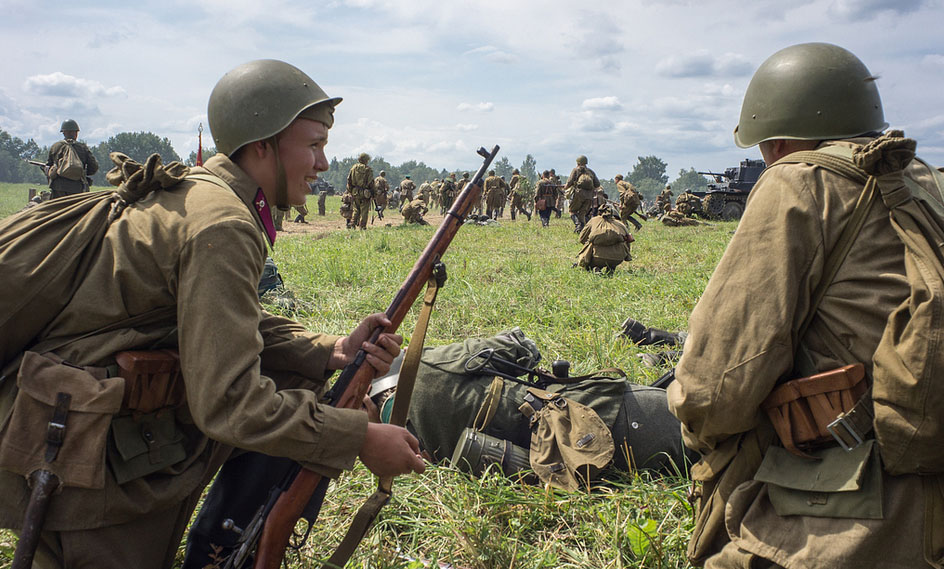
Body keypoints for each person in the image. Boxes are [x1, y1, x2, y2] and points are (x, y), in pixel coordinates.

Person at [0, 59, 426, 569]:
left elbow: (217, 318)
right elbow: (229, 403)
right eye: (313, 145)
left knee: (303, 378)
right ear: (262, 144)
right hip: (87, 465)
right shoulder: (223, 223)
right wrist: (357, 436)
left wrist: (328, 350)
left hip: (71, 427)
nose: (321, 163)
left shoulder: (200, 192)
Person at [666, 43, 944, 569]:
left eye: (768, 143)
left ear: (779, 138)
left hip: (860, 517)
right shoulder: (928, 183)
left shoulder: (800, 182)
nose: (769, 155)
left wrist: (693, 421)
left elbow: (716, 388)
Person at [44, 119, 99, 199]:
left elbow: (48, 166)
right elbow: (93, 168)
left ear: (63, 132)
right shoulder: (82, 148)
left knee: (57, 210)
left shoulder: (56, 147)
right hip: (78, 188)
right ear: (76, 133)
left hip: (58, 188)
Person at [575, 203, 632, 273]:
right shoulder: (620, 224)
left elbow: (582, 238)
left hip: (597, 257)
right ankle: (611, 268)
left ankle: (595, 268)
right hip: (618, 258)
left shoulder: (594, 220)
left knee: (588, 264)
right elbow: (628, 241)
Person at [564, 155, 600, 232]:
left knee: (572, 211)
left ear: (578, 163)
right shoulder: (591, 172)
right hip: (589, 196)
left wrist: (565, 187)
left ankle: (578, 225)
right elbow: (597, 184)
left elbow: (569, 182)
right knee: (582, 213)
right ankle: (582, 228)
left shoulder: (576, 170)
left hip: (579, 194)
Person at [347, 152, 375, 230]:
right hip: (365, 193)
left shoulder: (353, 168)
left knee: (356, 210)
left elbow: (349, 180)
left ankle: (352, 224)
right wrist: (373, 193)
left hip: (355, 192)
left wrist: (350, 191)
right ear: (366, 160)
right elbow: (371, 183)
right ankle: (362, 227)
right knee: (364, 211)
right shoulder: (368, 169)